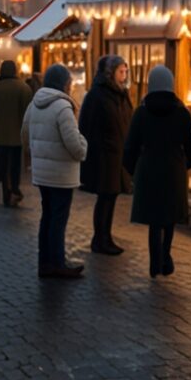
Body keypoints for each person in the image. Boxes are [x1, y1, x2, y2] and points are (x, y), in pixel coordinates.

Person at [123, 65, 191, 278]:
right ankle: (166, 255)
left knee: (154, 220)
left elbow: (130, 146)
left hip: (148, 170)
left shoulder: (141, 113)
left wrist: (133, 170)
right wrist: (186, 165)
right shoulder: (182, 113)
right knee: (169, 216)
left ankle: (154, 262)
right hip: (173, 169)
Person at [22, 64, 87, 279]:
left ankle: (45, 261)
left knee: (47, 217)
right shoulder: (62, 107)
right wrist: (84, 146)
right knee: (58, 218)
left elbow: (24, 134)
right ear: (64, 84)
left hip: (42, 173)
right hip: (61, 174)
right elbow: (74, 145)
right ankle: (57, 262)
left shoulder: (35, 104)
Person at [79, 55, 133, 255]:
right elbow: (86, 126)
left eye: (125, 71)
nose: (124, 75)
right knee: (105, 197)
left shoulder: (122, 94)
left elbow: (128, 120)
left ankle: (106, 237)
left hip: (118, 154)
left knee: (112, 197)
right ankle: (99, 238)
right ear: (110, 73)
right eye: (121, 71)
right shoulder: (97, 95)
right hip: (103, 155)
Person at [0, 60, 32, 207]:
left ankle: (4, 195)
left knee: (1, 167)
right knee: (15, 168)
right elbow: (28, 113)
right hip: (17, 137)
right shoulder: (24, 88)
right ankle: (13, 192)